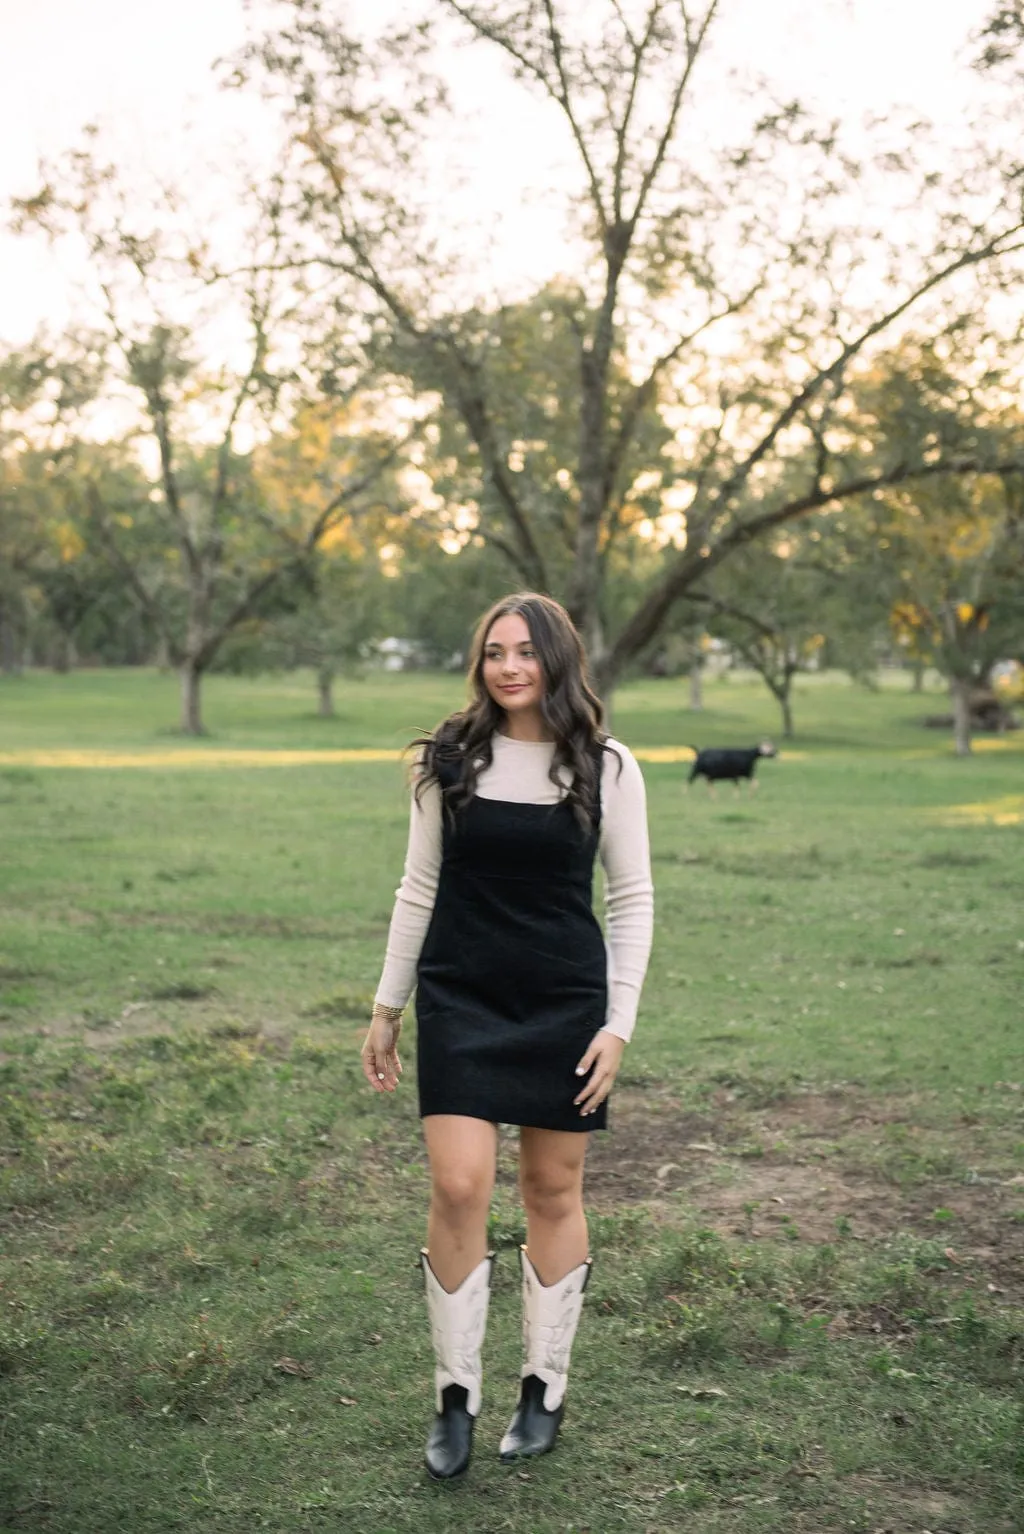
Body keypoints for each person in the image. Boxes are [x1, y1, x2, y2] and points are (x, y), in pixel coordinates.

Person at [361, 592, 654, 1480]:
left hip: (564, 1000)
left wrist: (618, 1024)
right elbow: (418, 888)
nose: (510, 666)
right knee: (459, 1185)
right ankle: (454, 1398)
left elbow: (632, 898)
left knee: (550, 1191)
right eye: (495, 651)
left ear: (558, 659)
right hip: (462, 993)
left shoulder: (606, 767)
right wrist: (387, 1007)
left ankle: (543, 1390)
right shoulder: (448, 762)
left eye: (527, 651)